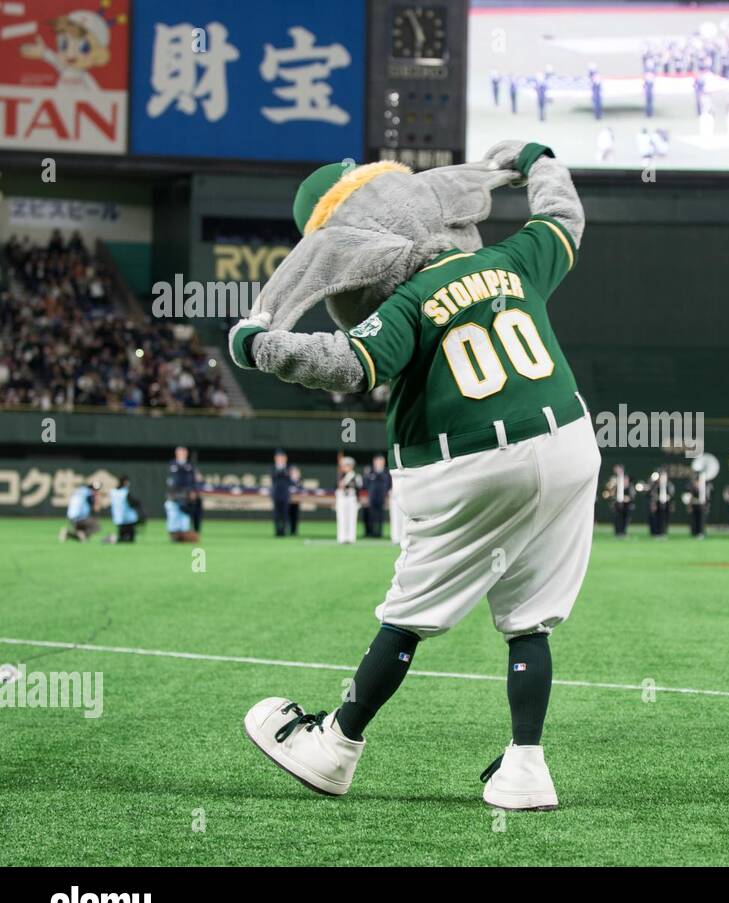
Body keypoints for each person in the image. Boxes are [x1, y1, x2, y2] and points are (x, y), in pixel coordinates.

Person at [232, 141, 598, 809]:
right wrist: (536, 158)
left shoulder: (409, 300)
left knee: (408, 617)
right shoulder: (512, 259)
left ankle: (334, 746)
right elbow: (564, 215)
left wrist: (260, 344)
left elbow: (345, 366)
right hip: (570, 442)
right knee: (529, 620)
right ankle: (526, 766)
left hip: (468, 458)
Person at [363, 454, 391, 539]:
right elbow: (366, 484)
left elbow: (389, 484)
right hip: (372, 497)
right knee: (371, 515)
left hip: (382, 497)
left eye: (380, 461)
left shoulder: (387, 472)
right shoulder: (370, 471)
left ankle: (379, 532)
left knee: (380, 516)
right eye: (377, 461)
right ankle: (371, 532)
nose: (378, 463)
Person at [107, 475, 141, 544]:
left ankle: (112, 538)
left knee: (122, 537)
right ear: (125, 482)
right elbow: (133, 503)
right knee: (130, 538)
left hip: (118, 517)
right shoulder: (125, 492)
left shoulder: (113, 492)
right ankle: (111, 538)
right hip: (128, 518)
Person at [336, 456, 362, 544]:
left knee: (352, 518)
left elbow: (358, 488)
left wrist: (358, 500)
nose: (346, 467)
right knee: (342, 518)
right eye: (345, 465)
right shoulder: (340, 475)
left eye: (348, 465)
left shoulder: (355, 476)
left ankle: (351, 538)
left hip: (351, 498)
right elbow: (336, 487)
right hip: (342, 498)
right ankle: (342, 538)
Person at [604, 464, 633, 538]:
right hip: (616, 501)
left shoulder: (626, 477)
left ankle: (623, 532)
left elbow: (629, 489)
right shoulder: (613, 478)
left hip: (625, 502)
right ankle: (617, 532)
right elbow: (609, 489)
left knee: (625, 518)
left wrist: (628, 497)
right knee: (616, 517)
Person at [271, 450, 293, 537]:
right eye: (278, 457)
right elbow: (274, 476)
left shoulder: (288, 467)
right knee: (276, 513)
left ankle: (284, 530)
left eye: (281, 457)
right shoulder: (273, 467)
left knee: (284, 513)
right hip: (276, 493)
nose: (280, 459)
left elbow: (289, 479)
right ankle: (277, 530)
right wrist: (282, 471)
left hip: (285, 493)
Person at [287, 466, 304, 536]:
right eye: (293, 472)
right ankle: (289, 530)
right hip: (289, 501)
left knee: (295, 516)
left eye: (296, 472)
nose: (295, 474)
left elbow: (302, 489)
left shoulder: (299, 481)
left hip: (296, 501)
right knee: (289, 516)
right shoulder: (288, 480)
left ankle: (294, 530)